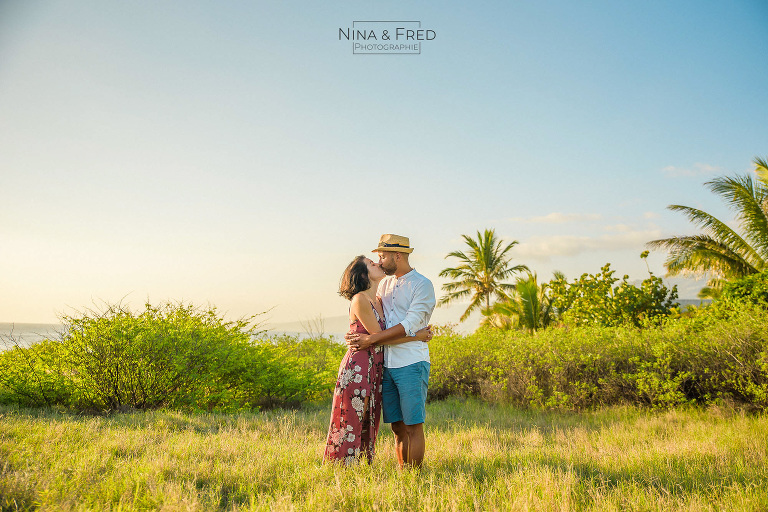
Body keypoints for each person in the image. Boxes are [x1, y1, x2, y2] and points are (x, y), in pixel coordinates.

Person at [323, 255, 432, 466]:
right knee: (352, 419)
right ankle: (342, 466)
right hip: (359, 365)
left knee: (367, 418)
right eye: (372, 263)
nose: (378, 263)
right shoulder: (361, 299)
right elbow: (378, 336)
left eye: (379, 259)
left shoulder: (379, 298)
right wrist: (416, 336)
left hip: (375, 365)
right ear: (364, 274)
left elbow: (378, 336)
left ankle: (362, 465)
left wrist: (374, 339)